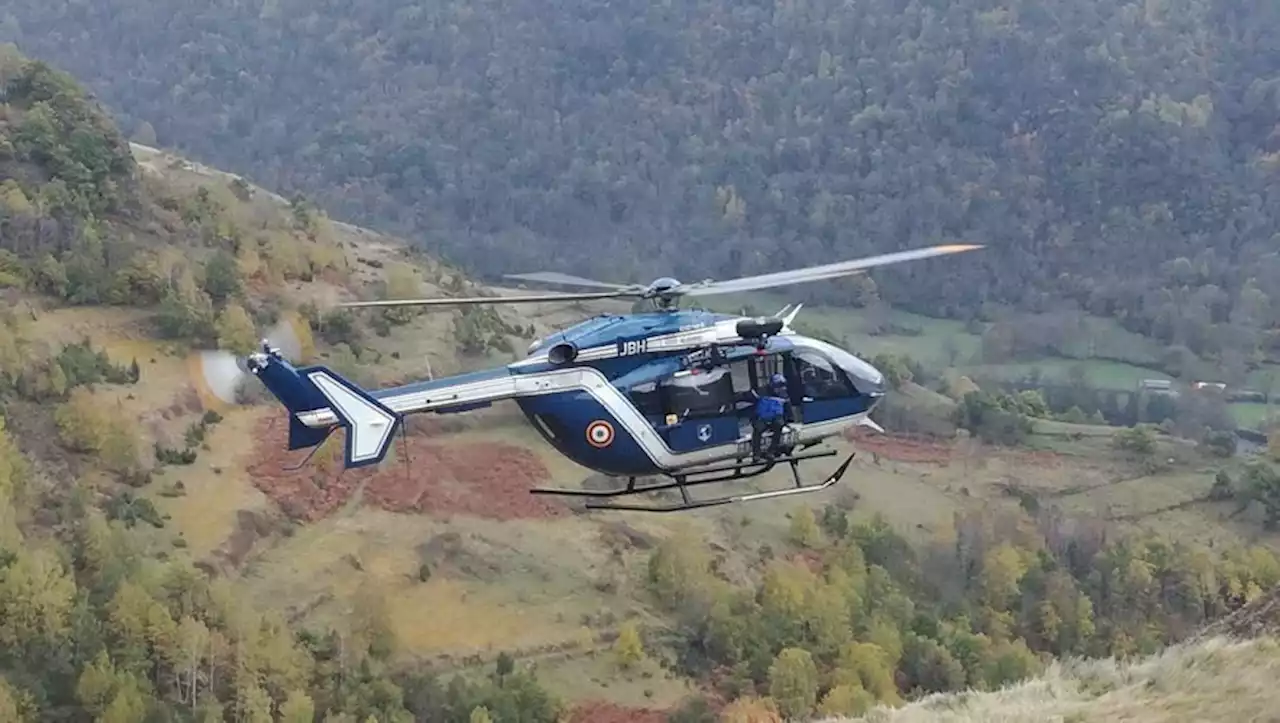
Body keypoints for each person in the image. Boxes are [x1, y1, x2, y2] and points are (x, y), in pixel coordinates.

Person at [748, 373, 791, 460]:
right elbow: (752, 404)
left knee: (779, 425)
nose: (781, 388)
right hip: (763, 418)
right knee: (757, 429)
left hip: (776, 418)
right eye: (778, 386)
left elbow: (788, 411)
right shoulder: (762, 392)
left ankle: (771, 451)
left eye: (782, 386)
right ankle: (756, 453)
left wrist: (787, 421)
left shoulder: (784, 395)